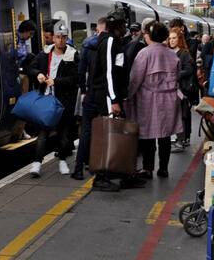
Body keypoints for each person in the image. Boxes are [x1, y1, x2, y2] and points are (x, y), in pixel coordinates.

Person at [126, 21, 185, 178]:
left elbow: (135, 79)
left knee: (147, 135)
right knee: (165, 135)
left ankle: (148, 168)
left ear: (149, 35)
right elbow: (177, 77)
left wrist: (129, 96)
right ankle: (163, 168)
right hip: (169, 99)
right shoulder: (172, 55)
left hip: (147, 99)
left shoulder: (144, 53)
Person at [84, 16, 136, 192]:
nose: (125, 29)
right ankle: (101, 176)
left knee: (117, 132)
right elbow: (108, 72)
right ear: (115, 27)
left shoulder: (115, 41)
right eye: (123, 25)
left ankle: (120, 172)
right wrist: (113, 99)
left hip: (111, 94)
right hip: (106, 94)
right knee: (109, 133)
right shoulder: (110, 41)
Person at [24, 24, 79, 176]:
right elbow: (30, 68)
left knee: (62, 134)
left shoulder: (73, 55)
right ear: (53, 38)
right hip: (46, 101)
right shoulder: (44, 54)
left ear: (67, 39)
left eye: (64, 37)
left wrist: (57, 81)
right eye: (58, 37)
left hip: (63, 101)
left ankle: (62, 160)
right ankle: (36, 164)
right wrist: (38, 74)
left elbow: (75, 79)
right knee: (43, 133)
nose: (61, 40)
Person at [71, 16, 107, 179]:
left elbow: (80, 71)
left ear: (97, 28)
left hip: (90, 93)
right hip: (104, 94)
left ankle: (78, 169)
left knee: (86, 131)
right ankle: (100, 168)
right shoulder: (109, 43)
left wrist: (84, 91)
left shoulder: (86, 45)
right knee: (104, 131)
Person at [168, 26, 199, 151]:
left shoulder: (184, 53)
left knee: (182, 115)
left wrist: (174, 74)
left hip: (183, 90)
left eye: (174, 38)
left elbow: (190, 70)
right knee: (178, 115)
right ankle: (180, 138)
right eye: (170, 38)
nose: (172, 41)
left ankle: (182, 140)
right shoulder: (169, 52)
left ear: (179, 39)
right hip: (173, 88)